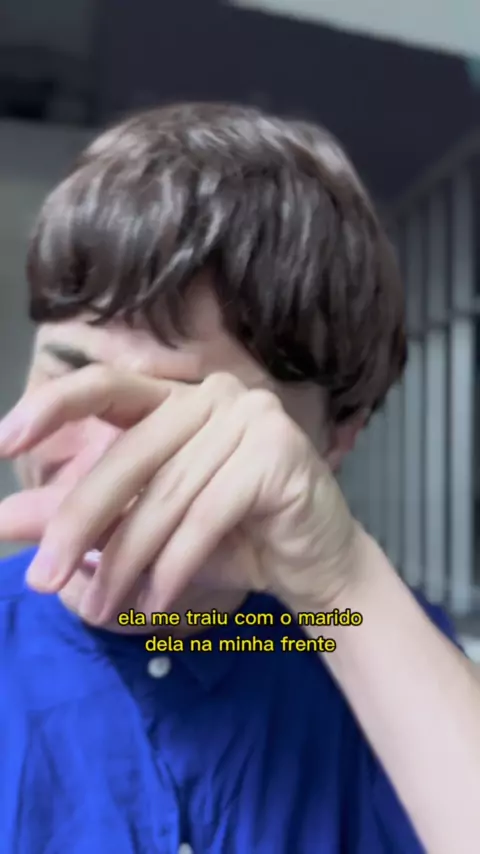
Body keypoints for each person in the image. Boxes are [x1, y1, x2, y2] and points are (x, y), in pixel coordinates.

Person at [0, 103, 477, 854]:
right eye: (70, 377)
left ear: (335, 436)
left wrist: (343, 586)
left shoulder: (366, 639)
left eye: (183, 412)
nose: (102, 472)